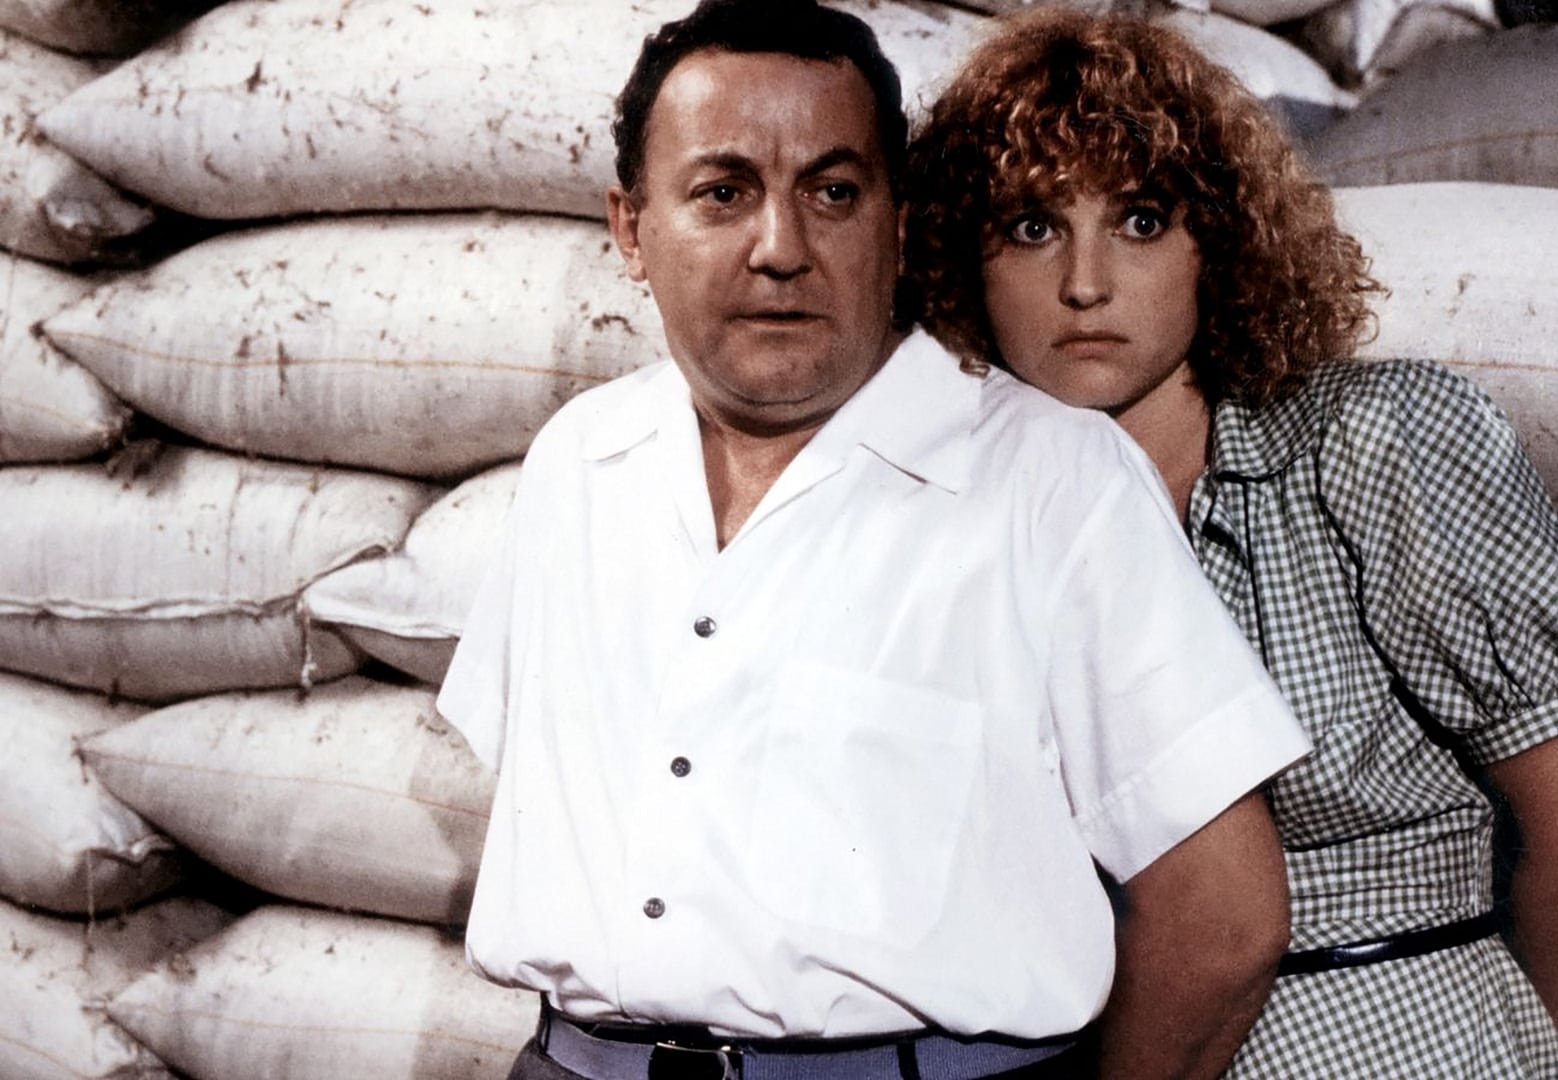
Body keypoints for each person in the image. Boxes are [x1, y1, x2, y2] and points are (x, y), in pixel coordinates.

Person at [436, 1, 1316, 1078]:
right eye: (723, 193)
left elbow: (1222, 920)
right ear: (630, 230)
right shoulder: (578, 461)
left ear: (896, 228)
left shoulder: (1052, 482)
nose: (781, 249)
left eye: (834, 193)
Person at [904, 10, 1558, 1078]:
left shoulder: (1371, 444)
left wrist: (1454, 1036)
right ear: (962, 264)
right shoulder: (962, 521)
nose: (1085, 283)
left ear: (1217, 242)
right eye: (1032, 228)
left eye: (1141, 220)